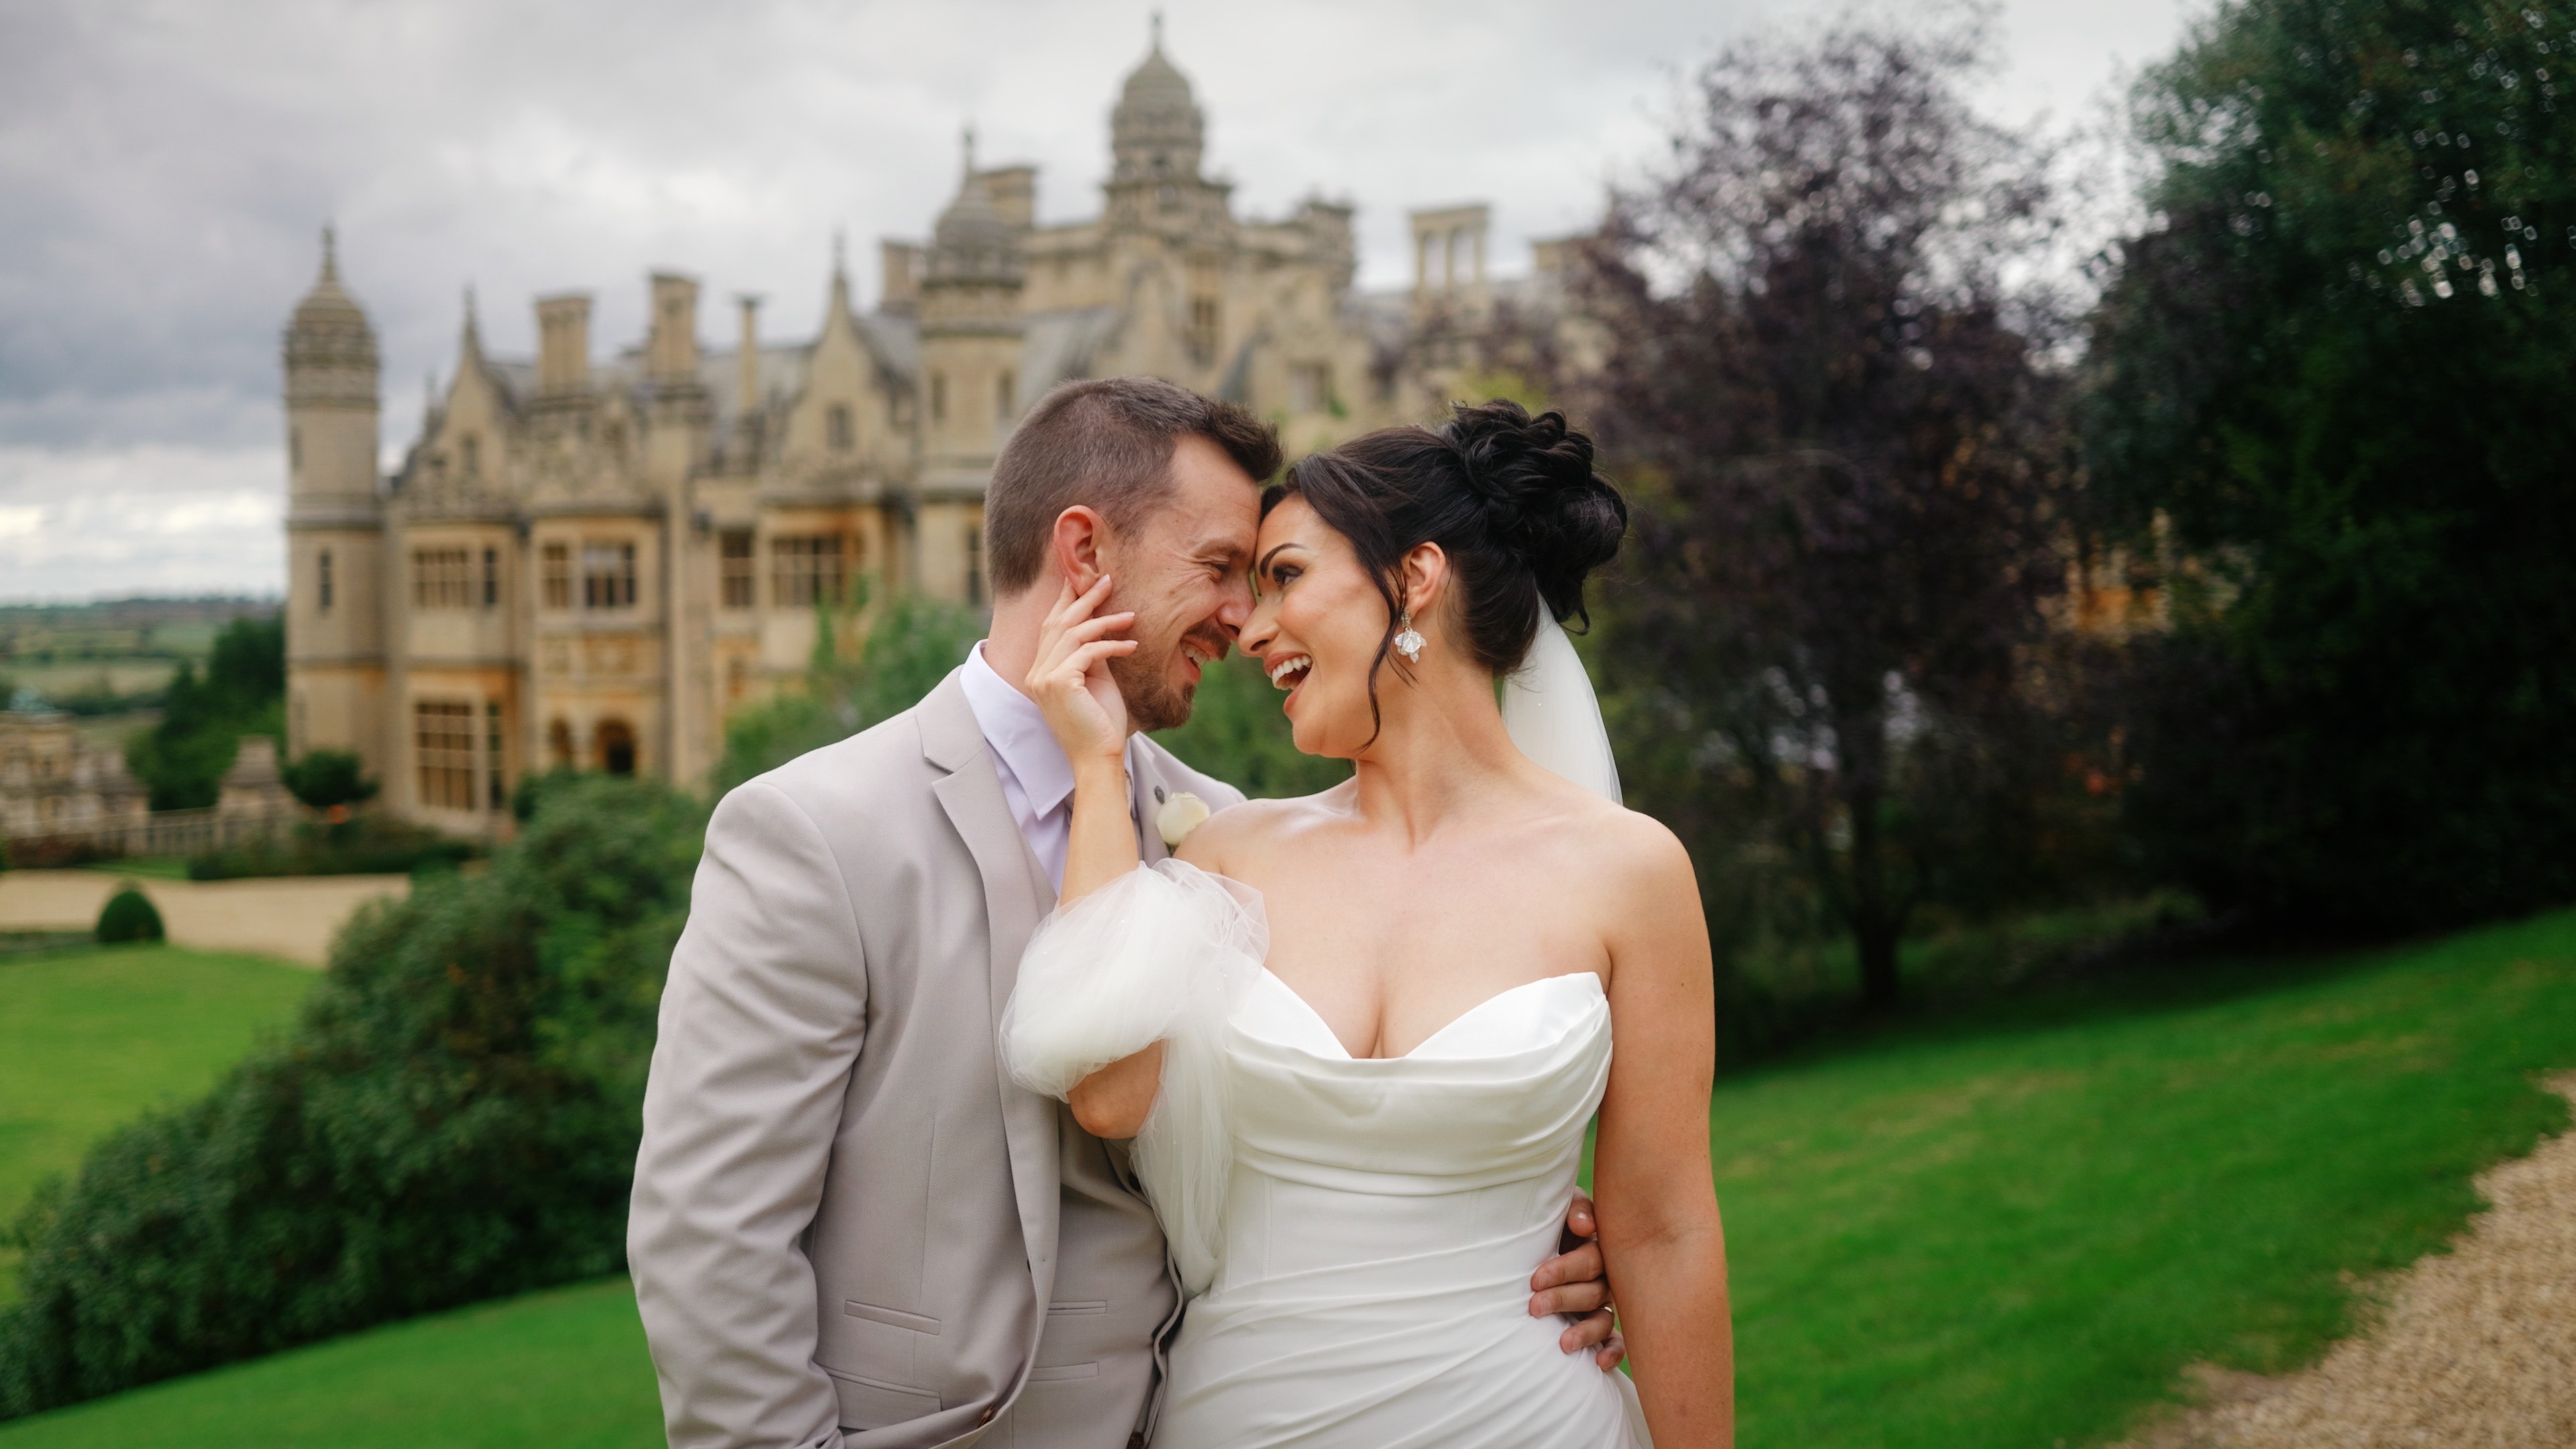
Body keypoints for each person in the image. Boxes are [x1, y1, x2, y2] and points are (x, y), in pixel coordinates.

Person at [627, 377, 1621, 1449]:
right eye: (1222, 571)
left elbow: (1311, 1146)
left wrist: (1535, 1245)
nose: (1246, 620)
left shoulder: (1229, 834)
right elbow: (710, 1241)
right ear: (1086, 553)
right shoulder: (811, 834)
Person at [1003, 400, 1733, 1447]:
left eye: (1286, 577)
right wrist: (1095, 760)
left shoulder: (1631, 873)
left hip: (1528, 1417)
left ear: (1417, 578)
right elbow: (1112, 1096)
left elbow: (1663, 1229)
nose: (1251, 631)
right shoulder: (1226, 854)